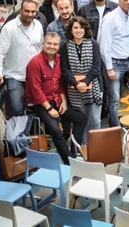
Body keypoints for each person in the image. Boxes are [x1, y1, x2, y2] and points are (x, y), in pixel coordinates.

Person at [25, 32, 87, 164]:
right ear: (43, 44)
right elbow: (36, 90)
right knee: (55, 130)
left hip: (56, 99)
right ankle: (69, 162)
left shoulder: (59, 59)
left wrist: (63, 102)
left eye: (55, 44)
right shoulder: (35, 63)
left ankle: (74, 152)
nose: (52, 46)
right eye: (49, 43)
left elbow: (60, 84)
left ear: (59, 46)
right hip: (38, 102)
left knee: (81, 119)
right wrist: (49, 109)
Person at [0, 0, 44, 117]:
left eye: (33, 11)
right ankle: (19, 135)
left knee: (40, 108)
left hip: (35, 76)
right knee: (17, 109)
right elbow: (0, 52)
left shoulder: (38, 26)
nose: (30, 14)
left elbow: (40, 49)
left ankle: (31, 132)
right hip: (15, 76)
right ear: (20, 10)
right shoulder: (9, 28)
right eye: (27, 11)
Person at [60, 17, 103, 142]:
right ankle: (82, 147)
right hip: (74, 90)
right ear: (71, 30)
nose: (79, 30)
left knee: (95, 120)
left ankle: (97, 146)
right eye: (75, 28)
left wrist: (84, 82)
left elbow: (96, 67)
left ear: (85, 29)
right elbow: (65, 69)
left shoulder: (94, 44)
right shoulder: (65, 46)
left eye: (81, 27)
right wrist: (76, 84)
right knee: (81, 120)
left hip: (93, 88)